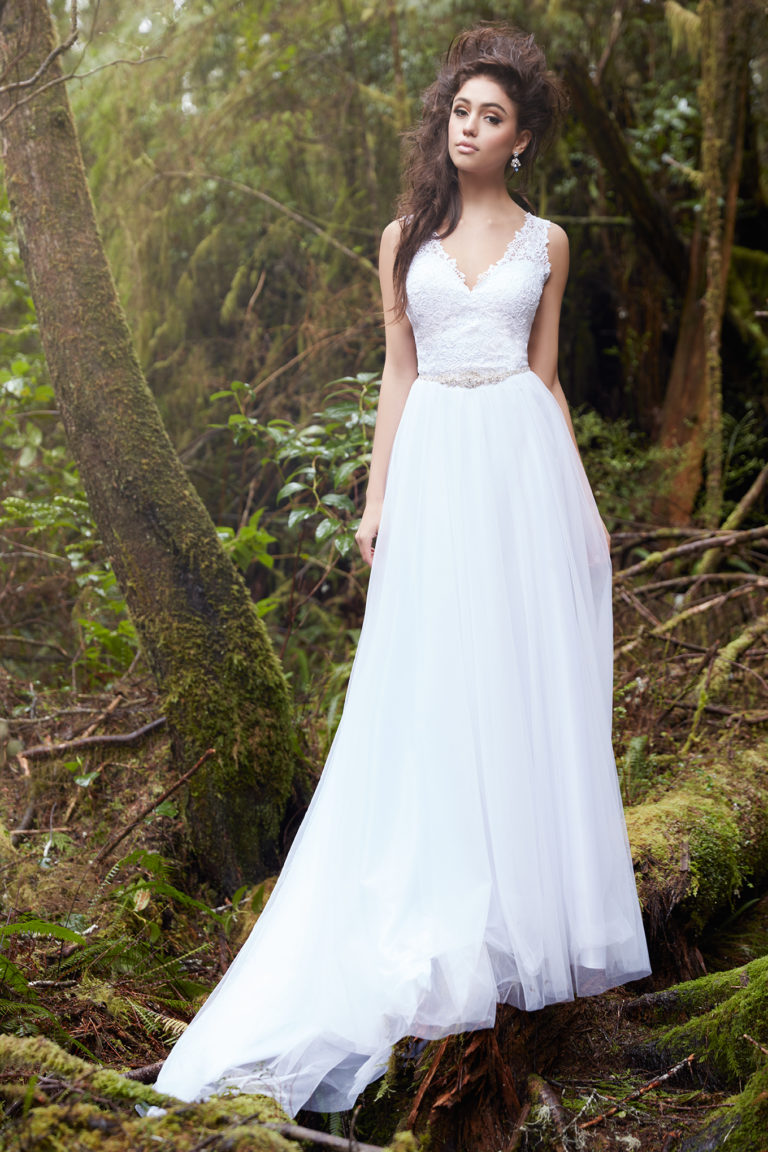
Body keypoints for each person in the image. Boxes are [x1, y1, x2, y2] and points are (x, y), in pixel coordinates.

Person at [154, 23, 651, 1118]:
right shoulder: (403, 240)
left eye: (493, 117)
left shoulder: (550, 243)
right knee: (432, 675)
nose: (470, 128)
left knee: (513, 674)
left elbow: (549, 375)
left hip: (519, 459)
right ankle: (430, 903)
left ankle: (517, 913)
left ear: (520, 140)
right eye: (461, 111)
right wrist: (377, 499)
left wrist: (583, 503)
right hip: (436, 462)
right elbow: (396, 375)